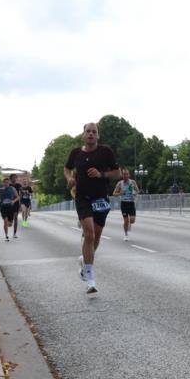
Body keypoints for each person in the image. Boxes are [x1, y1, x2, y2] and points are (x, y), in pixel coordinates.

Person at [64, 123, 121, 293]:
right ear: (83, 135)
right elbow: (67, 168)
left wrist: (101, 174)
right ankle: (89, 277)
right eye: (88, 131)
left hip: (101, 198)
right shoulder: (76, 153)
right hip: (82, 197)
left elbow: (117, 173)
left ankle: (84, 260)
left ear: (98, 136)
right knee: (88, 234)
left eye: (94, 132)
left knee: (95, 237)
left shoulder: (105, 152)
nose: (90, 134)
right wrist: (69, 179)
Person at [113, 169, 139, 241]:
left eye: (127, 174)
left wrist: (134, 193)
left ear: (129, 175)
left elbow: (137, 190)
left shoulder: (132, 182)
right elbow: (114, 193)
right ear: (122, 175)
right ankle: (126, 234)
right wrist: (120, 193)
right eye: (124, 174)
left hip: (131, 202)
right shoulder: (120, 183)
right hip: (124, 203)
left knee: (132, 220)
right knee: (126, 220)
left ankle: (129, 224)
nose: (125, 176)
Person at [0, 176, 20, 241]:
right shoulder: (0, 190)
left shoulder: (12, 189)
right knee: (5, 221)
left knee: (9, 224)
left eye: (7, 182)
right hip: (3, 207)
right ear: (3, 183)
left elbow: (18, 197)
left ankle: (10, 223)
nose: (6, 183)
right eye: (5, 182)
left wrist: (13, 201)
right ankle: (6, 236)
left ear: (9, 182)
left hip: (11, 207)